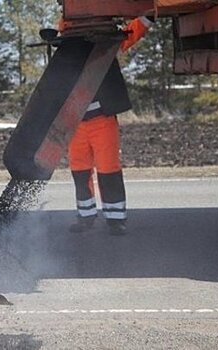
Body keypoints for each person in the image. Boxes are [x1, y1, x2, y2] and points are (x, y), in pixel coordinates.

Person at [65, 16, 154, 235]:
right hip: (76, 123)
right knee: (79, 170)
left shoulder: (105, 43)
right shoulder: (67, 49)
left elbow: (129, 34)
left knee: (108, 169)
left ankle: (116, 219)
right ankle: (85, 215)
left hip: (102, 119)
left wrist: (147, 17)